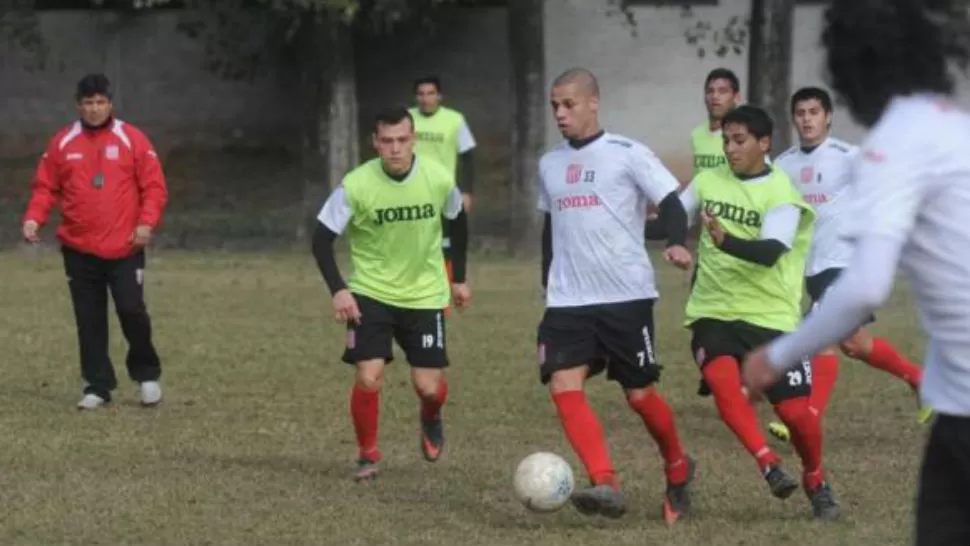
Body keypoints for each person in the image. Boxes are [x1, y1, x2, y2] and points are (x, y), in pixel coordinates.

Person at [742, 1, 970, 543]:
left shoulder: (892, 144)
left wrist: (776, 356)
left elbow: (867, 284)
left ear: (851, 71)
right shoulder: (956, 128)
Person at [537, 67, 696, 525]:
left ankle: (678, 466)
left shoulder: (627, 153)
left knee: (639, 394)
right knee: (563, 383)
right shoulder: (548, 162)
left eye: (568, 104)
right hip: (568, 299)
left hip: (625, 294)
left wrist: (675, 240)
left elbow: (670, 202)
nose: (560, 114)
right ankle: (605, 480)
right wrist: (547, 279)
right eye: (554, 106)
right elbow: (551, 224)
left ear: (593, 103)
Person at [680, 104, 839, 520]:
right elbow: (676, 210)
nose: (730, 149)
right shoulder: (709, 180)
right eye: (726, 140)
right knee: (720, 376)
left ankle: (815, 477)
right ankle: (767, 462)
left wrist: (724, 239)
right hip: (714, 309)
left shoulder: (782, 194)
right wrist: (671, 235)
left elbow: (770, 253)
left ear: (763, 143)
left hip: (772, 317)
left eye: (739, 141)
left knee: (796, 416)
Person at [312, 107, 471, 482]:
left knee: (428, 387)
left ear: (413, 138)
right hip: (372, 292)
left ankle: (430, 415)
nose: (395, 149)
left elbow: (458, 220)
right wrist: (339, 290)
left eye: (402, 140)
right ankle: (368, 454)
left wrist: (459, 279)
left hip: (426, 294)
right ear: (375, 142)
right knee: (368, 377)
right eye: (387, 141)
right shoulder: (356, 184)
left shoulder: (436, 177)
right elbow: (321, 240)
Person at [769, 87, 930, 442]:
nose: (807, 119)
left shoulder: (847, 156)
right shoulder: (783, 165)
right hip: (810, 269)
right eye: (801, 113)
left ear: (828, 117)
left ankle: (807, 416)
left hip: (845, 265)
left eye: (814, 112)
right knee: (855, 344)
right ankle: (919, 380)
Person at [22, 73, 168, 411]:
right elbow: (46, 188)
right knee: (89, 319)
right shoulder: (62, 143)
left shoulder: (132, 139)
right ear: (79, 105)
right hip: (78, 249)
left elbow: (154, 188)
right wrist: (34, 217)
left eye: (100, 102)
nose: (94, 109)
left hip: (125, 248)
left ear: (110, 104)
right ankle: (98, 385)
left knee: (132, 310)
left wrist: (146, 223)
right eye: (88, 103)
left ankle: (147, 375)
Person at [409, 76, 476, 315]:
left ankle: (444, 297)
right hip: (414, 192)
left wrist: (467, 190)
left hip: (444, 193)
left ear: (439, 96)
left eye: (430, 93)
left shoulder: (454, 120)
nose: (426, 98)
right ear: (416, 97)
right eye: (421, 93)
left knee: (447, 245)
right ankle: (415, 294)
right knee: (416, 244)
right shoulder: (407, 119)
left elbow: (467, 156)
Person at [690, 68, 742, 176]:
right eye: (710, 91)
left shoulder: (745, 136)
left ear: (736, 98)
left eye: (722, 91)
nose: (715, 96)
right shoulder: (696, 134)